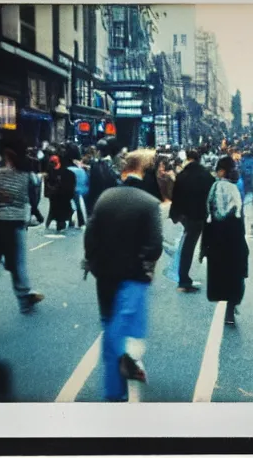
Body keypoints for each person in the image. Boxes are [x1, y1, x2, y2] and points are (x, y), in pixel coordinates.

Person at [83, 150, 163, 402]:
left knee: (110, 327)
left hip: (104, 275)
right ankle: (128, 362)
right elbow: (155, 245)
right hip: (134, 276)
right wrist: (144, 265)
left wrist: (94, 263)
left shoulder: (105, 197)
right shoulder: (149, 203)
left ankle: (114, 391)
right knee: (128, 328)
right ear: (144, 171)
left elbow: (90, 235)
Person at [0, 136, 45, 336]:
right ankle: (24, 300)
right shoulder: (26, 175)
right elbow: (34, 196)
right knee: (18, 264)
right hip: (15, 226)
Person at [200, 156, 249, 325]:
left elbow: (208, 213)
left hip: (216, 235)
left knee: (220, 272)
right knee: (237, 273)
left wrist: (204, 246)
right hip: (234, 234)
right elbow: (240, 214)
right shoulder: (237, 187)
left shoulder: (215, 186)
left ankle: (226, 302)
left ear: (222, 171)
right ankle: (231, 306)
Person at [169, 150, 215, 293]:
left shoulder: (182, 175)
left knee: (188, 247)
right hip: (202, 215)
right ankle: (213, 276)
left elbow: (175, 196)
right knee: (208, 244)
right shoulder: (207, 176)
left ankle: (184, 278)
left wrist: (175, 214)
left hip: (186, 216)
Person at [44, 155, 76, 232]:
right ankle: (64, 222)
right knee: (60, 211)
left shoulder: (51, 172)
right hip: (58, 196)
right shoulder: (67, 173)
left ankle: (58, 223)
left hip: (59, 196)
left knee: (56, 211)